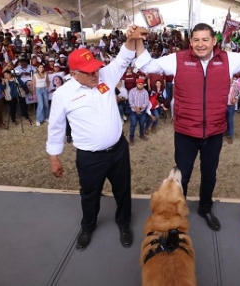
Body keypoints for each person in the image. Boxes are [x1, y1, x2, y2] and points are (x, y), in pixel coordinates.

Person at [134, 21, 240, 231]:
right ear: (190, 42)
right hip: (186, 132)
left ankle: (205, 208)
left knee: (209, 174)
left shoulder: (228, 59)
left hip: (213, 131)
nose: (200, 44)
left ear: (214, 41)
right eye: (196, 40)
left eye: (205, 39)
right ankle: (178, 212)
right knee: (182, 176)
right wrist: (137, 39)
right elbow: (147, 65)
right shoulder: (178, 59)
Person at [46, 25, 143, 251]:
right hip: (90, 157)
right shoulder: (63, 94)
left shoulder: (104, 77)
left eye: (96, 69)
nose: (95, 74)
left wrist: (131, 39)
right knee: (89, 194)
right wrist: (54, 157)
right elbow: (56, 126)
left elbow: (121, 59)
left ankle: (124, 224)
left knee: (122, 189)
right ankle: (88, 227)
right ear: (73, 74)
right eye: (88, 72)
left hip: (118, 150)